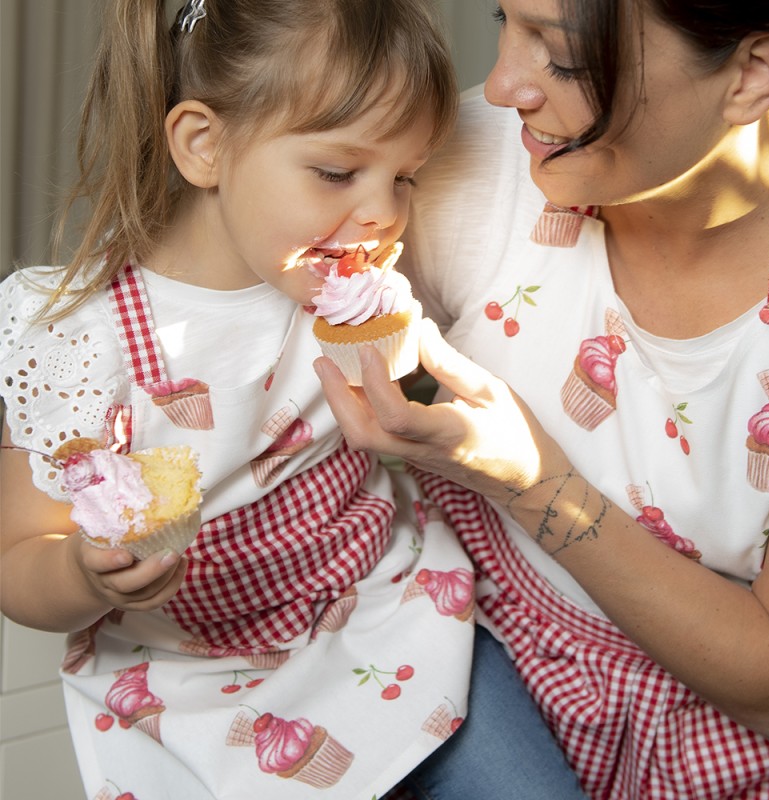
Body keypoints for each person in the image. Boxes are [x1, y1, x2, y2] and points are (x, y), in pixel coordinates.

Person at [0, 2, 589, 798]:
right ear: (205, 146)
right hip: (195, 686)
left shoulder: (349, 286)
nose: (383, 212)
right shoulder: (77, 341)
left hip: (395, 616)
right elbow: (16, 563)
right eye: (339, 172)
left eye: (404, 176)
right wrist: (82, 572)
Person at [316, 0, 769, 797]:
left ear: (753, 74)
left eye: (564, 58)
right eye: (507, 19)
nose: (503, 85)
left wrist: (528, 476)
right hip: (456, 650)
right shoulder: (459, 159)